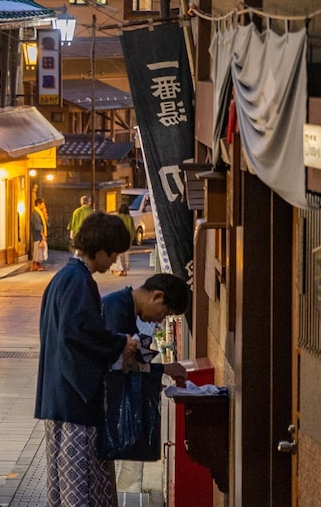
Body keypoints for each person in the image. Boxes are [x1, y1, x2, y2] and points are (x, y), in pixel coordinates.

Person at [35, 212, 140, 507]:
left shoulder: (64, 277)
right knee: (83, 485)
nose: (113, 261)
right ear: (102, 250)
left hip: (58, 394)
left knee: (66, 482)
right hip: (74, 400)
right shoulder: (79, 281)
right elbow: (79, 333)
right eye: (114, 254)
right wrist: (121, 342)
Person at [102, 273, 190, 493]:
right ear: (157, 296)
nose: (160, 320)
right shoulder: (118, 308)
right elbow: (122, 364)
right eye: (165, 313)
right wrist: (161, 369)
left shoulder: (123, 306)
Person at [112, 203, 136, 276]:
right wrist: (132, 238)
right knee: (126, 256)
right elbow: (133, 230)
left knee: (119, 256)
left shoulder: (118, 217)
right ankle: (125, 270)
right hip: (127, 240)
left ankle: (119, 270)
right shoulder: (130, 218)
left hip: (119, 239)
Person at [30, 198, 48, 271]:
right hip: (37, 234)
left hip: (39, 234)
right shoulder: (35, 213)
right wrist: (42, 232)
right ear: (38, 204)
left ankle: (38, 265)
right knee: (37, 250)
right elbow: (37, 225)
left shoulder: (39, 213)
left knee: (39, 250)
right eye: (42, 204)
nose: (43, 206)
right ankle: (35, 265)